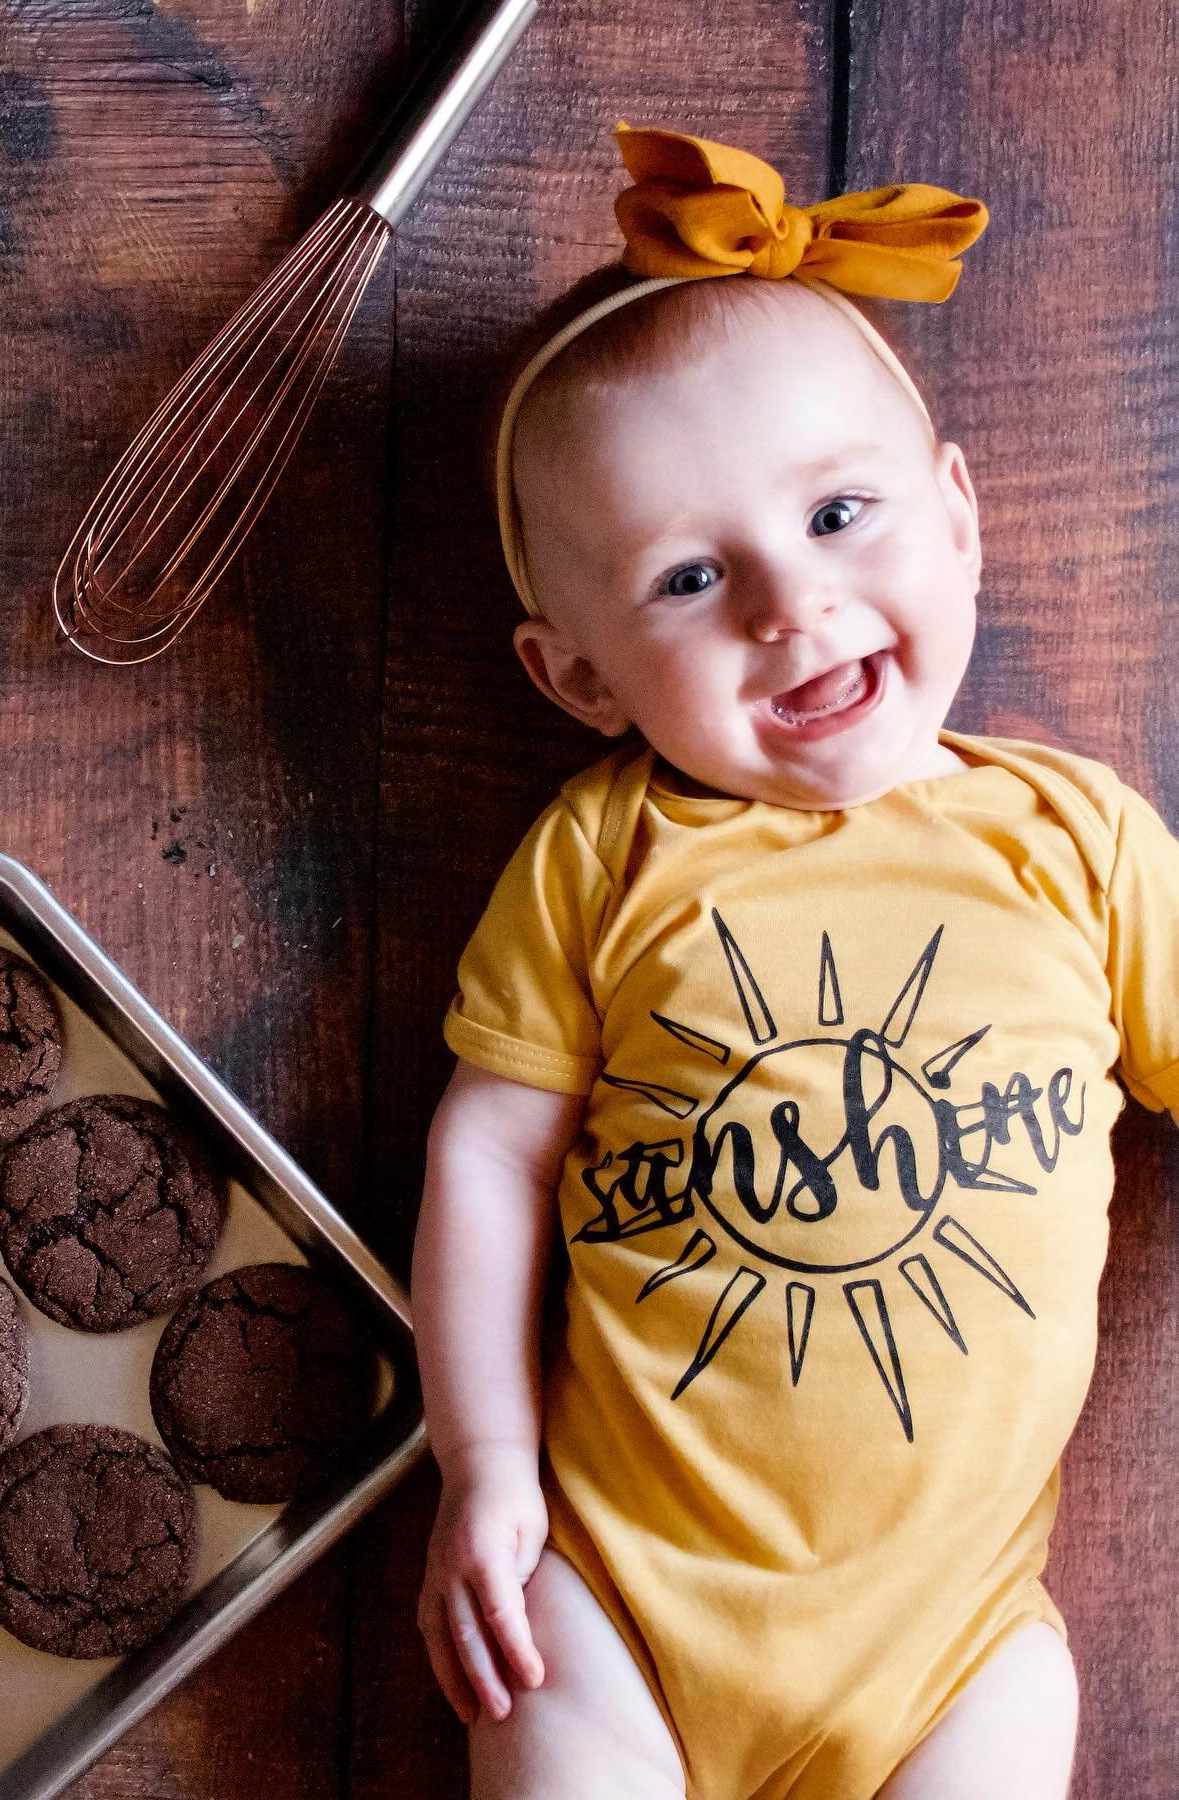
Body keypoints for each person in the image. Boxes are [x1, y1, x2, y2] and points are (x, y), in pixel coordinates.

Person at [410, 125, 1179, 1799]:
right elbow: (489, 1151)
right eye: (690, 578)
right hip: (613, 1595)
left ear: (958, 517)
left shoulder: (1079, 842)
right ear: (581, 676)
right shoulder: (601, 857)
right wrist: (481, 1464)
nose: (792, 600)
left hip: (953, 1640)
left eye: (840, 513)